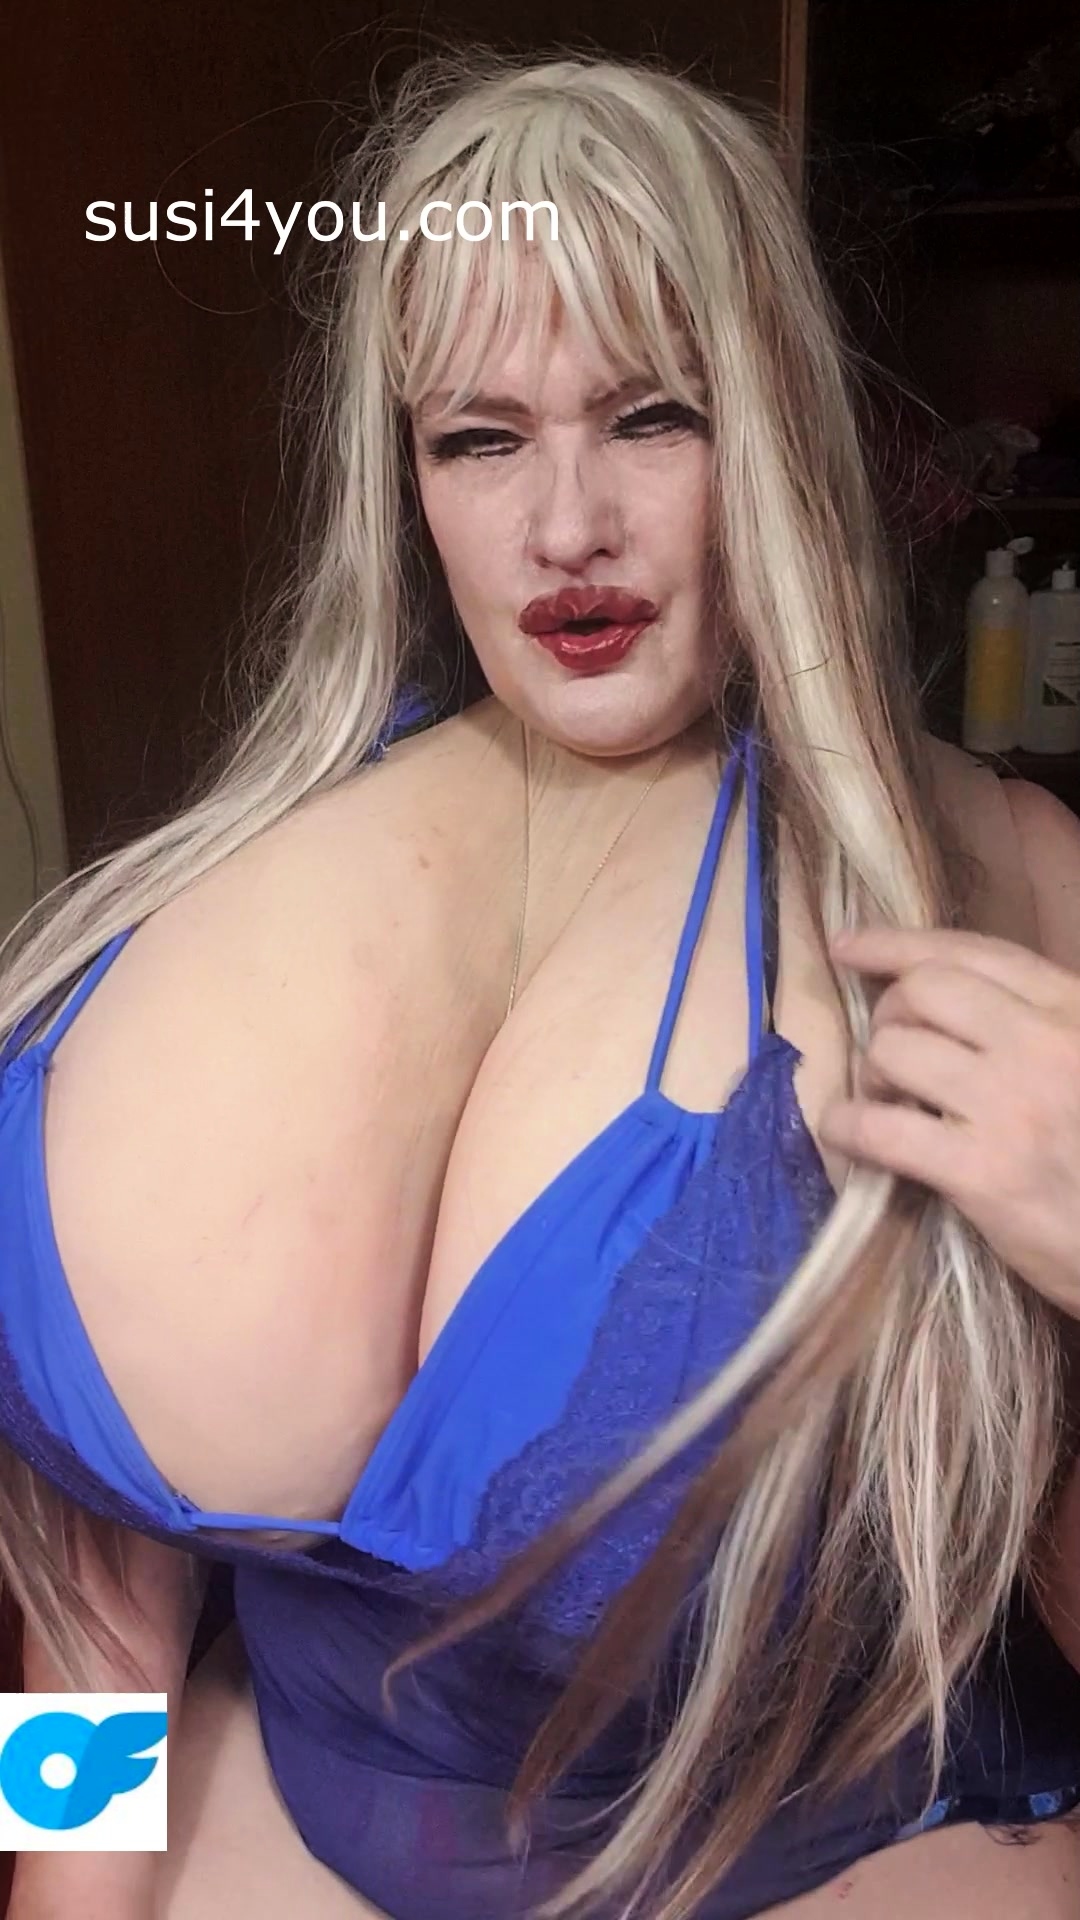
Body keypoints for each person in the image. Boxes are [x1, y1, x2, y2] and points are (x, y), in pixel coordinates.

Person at [3, 46, 1080, 1920]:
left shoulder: (1025, 885)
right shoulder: (207, 901)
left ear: (779, 426)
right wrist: (65, 1896)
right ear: (404, 476)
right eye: (479, 438)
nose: (564, 527)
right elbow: (94, 1639)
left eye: (653, 416)